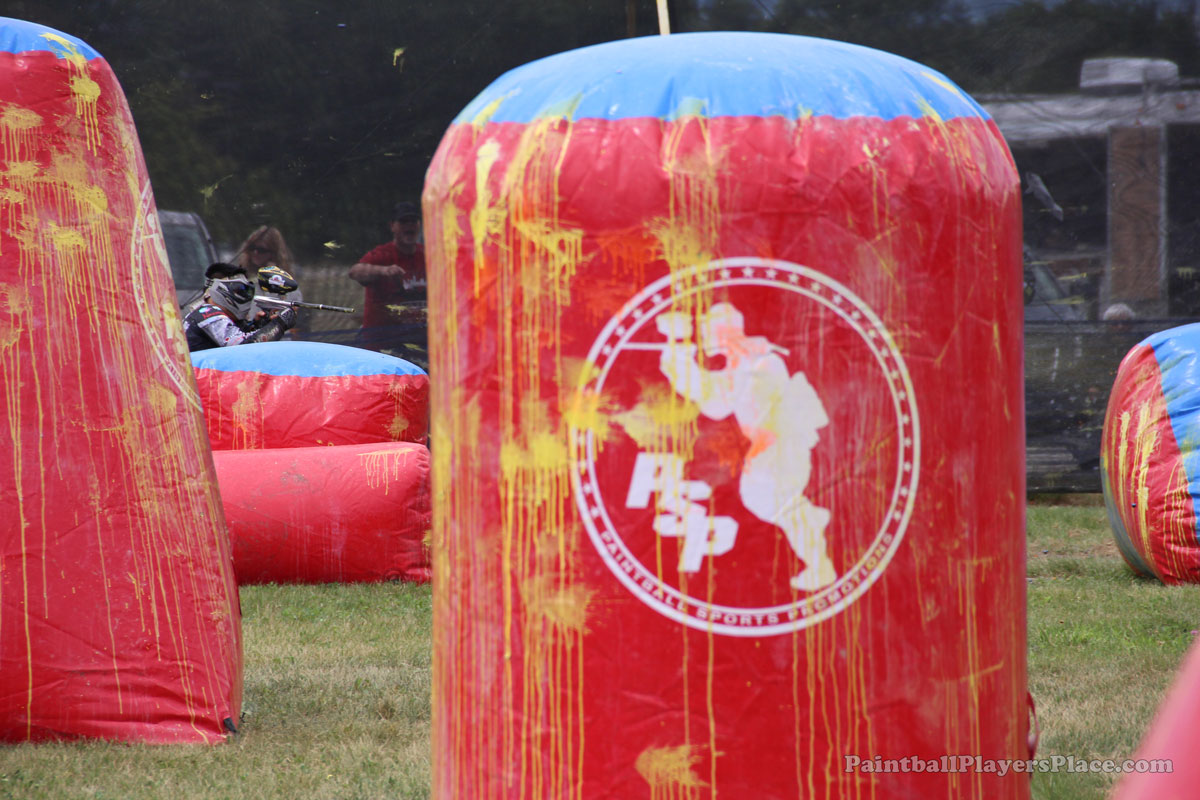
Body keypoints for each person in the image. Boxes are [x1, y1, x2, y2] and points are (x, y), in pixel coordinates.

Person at [656, 302, 835, 592]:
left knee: (774, 502)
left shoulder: (762, 361)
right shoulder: (741, 364)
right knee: (766, 502)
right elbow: (710, 395)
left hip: (780, 447)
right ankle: (809, 522)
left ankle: (818, 555)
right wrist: (675, 350)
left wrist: (761, 446)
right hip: (772, 448)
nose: (704, 337)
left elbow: (732, 403)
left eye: (707, 331)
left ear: (724, 332)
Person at [348, 201, 427, 357]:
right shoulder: (383, 254)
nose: (409, 226)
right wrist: (383, 270)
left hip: (419, 341)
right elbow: (355, 272)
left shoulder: (428, 254)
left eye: (413, 221)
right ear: (392, 226)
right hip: (382, 343)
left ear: (419, 225)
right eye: (403, 221)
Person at [183, 275, 297, 351]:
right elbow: (243, 348)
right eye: (240, 290)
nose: (246, 296)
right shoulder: (208, 312)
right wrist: (279, 323)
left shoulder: (206, 313)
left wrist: (257, 326)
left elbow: (236, 341)